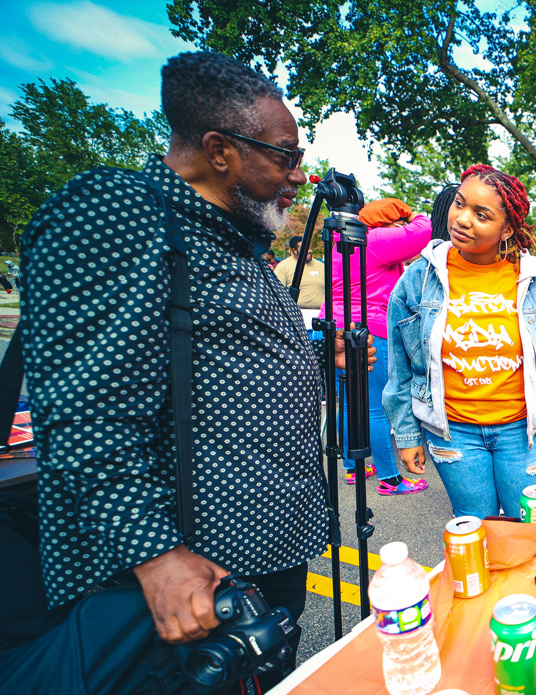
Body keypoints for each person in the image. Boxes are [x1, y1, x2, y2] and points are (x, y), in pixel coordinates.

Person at [7, 51, 373, 687]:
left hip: (261, 557)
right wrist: (157, 557)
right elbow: (87, 411)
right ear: (219, 150)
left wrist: (317, 357)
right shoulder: (117, 213)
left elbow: (215, 373)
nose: (298, 176)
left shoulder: (230, 239)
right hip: (191, 581)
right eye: (285, 156)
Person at [384, 164, 536, 518]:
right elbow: (399, 366)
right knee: (477, 528)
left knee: (531, 530)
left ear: (507, 228)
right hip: (453, 434)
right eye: (459, 204)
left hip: (523, 435)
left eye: (481, 215)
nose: (462, 219)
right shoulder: (418, 279)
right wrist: (407, 434)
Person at [321, 197, 434, 494]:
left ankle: (352, 468)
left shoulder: (340, 244)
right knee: (378, 407)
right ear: (387, 223)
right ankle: (390, 479)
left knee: (347, 403)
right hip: (368, 329)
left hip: (336, 329)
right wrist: (412, 214)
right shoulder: (374, 240)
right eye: (399, 225)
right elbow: (425, 230)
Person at [273, 234, 326, 314]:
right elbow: (276, 292)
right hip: (296, 313)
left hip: (321, 313)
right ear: (294, 250)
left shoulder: (322, 266)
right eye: (304, 248)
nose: (309, 251)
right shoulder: (283, 267)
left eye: (309, 247)